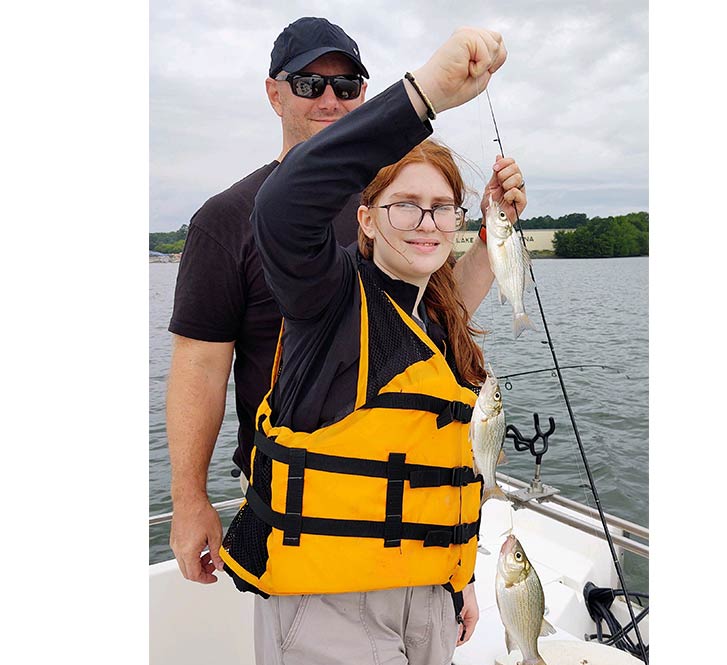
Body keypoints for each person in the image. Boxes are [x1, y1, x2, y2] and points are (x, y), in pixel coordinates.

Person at [219, 27, 515, 665]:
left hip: (425, 601)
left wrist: (455, 580)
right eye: (405, 204)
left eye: (441, 208)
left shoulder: (430, 317)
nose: (427, 221)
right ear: (365, 218)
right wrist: (427, 96)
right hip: (332, 612)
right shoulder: (327, 302)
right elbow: (283, 206)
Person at [166, 17, 528, 588]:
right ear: (274, 93)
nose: (330, 98)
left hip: (416, 505)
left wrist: (491, 234)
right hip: (306, 501)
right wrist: (189, 497)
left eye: (347, 84)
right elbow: (200, 367)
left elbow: (433, 318)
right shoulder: (231, 219)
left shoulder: (398, 200)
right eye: (309, 84)